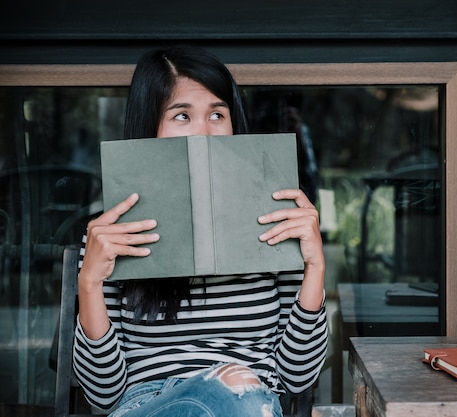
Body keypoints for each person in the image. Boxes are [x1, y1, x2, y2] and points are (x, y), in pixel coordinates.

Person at [73, 45, 328, 417]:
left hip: (251, 400)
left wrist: (315, 267)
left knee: (241, 390)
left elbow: (297, 375)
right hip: (149, 404)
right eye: (181, 116)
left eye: (217, 114)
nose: (204, 131)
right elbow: (103, 395)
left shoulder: (277, 218)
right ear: (150, 126)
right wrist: (90, 283)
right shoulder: (112, 232)